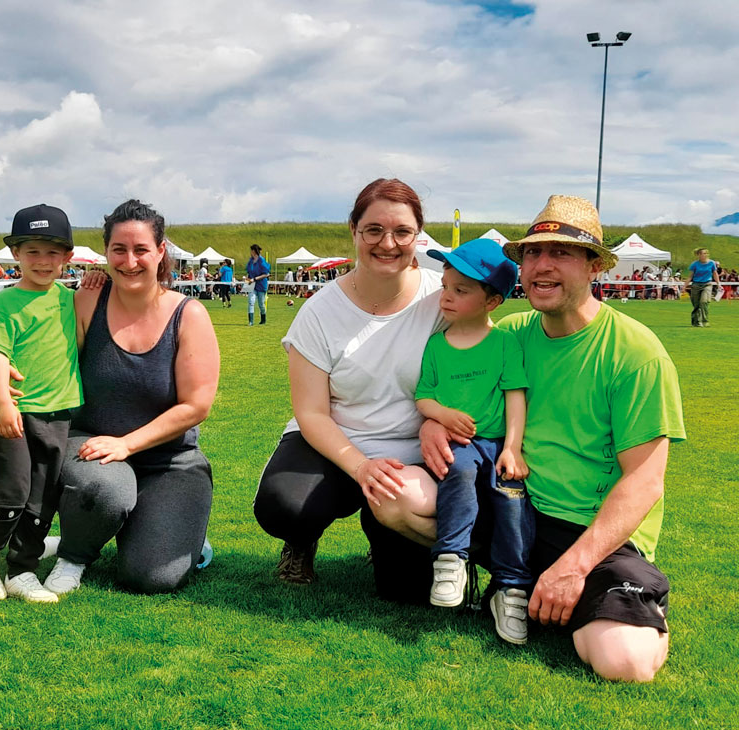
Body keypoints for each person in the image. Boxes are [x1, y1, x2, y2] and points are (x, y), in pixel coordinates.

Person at [419, 195, 685, 681]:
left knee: (626, 662)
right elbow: (458, 380)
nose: (541, 266)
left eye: (560, 253)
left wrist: (574, 568)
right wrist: (434, 420)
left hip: (592, 532)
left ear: (593, 267)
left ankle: (598, 595)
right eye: (532, 254)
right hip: (514, 508)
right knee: (396, 498)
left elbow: (645, 483)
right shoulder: (511, 333)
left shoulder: (635, 352)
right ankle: (504, 582)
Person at [253, 178, 445, 590]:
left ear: (418, 235)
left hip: (413, 460)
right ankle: (301, 542)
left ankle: (384, 531)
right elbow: (311, 413)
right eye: (373, 230)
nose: (387, 243)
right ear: (353, 231)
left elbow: (479, 374)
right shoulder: (320, 312)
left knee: (408, 590)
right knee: (285, 507)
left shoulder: (442, 299)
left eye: (402, 231)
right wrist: (362, 467)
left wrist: (437, 423)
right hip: (336, 445)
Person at [41, 199, 220, 595]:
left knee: (153, 577)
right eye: (118, 249)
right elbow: (55, 366)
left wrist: (128, 444)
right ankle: (73, 553)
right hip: (91, 446)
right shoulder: (87, 300)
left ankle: (172, 533)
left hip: (170, 462)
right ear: (105, 253)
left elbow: (196, 405)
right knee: (108, 490)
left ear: (160, 252)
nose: (129, 261)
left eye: (141, 249)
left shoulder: (188, 315)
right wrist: (2, 373)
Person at [0, 204, 83, 604]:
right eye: (33, 251)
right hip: (15, 414)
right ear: (16, 254)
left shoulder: (70, 300)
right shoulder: (6, 303)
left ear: (67, 257)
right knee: (9, 492)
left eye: (53, 252)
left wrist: (97, 281)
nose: (43, 261)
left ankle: (22, 569)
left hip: (60, 415)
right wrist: (1, 402)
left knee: (43, 498)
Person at [414, 238, 532, 645]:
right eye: (445, 286)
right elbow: (423, 396)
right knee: (458, 473)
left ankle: (511, 588)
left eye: (461, 290)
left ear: (492, 302)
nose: (446, 297)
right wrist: (441, 416)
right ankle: (450, 561)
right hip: (460, 444)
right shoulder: (435, 345)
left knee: (512, 496)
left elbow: (515, 398)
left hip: (499, 444)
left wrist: (513, 449)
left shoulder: (504, 344)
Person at [684, 248, 720, 327]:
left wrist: (718, 284)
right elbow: (690, 276)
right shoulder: (695, 264)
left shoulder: (712, 263)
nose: (704, 255)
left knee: (704, 302)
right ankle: (696, 322)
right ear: (698, 255)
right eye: (702, 253)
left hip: (707, 284)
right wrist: (684, 286)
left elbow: (715, 274)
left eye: (705, 253)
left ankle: (705, 320)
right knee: (696, 304)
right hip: (696, 285)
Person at [244, 244, 271, 326]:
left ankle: (263, 319)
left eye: (251, 251)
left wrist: (255, 279)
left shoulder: (262, 261)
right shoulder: (250, 261)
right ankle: (250, 321)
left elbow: (266, 274)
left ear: (254, 251)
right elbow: (248, 272)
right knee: (251, 302)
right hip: (251, 284)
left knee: (261, 304)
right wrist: (246, 279)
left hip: (261, 284)